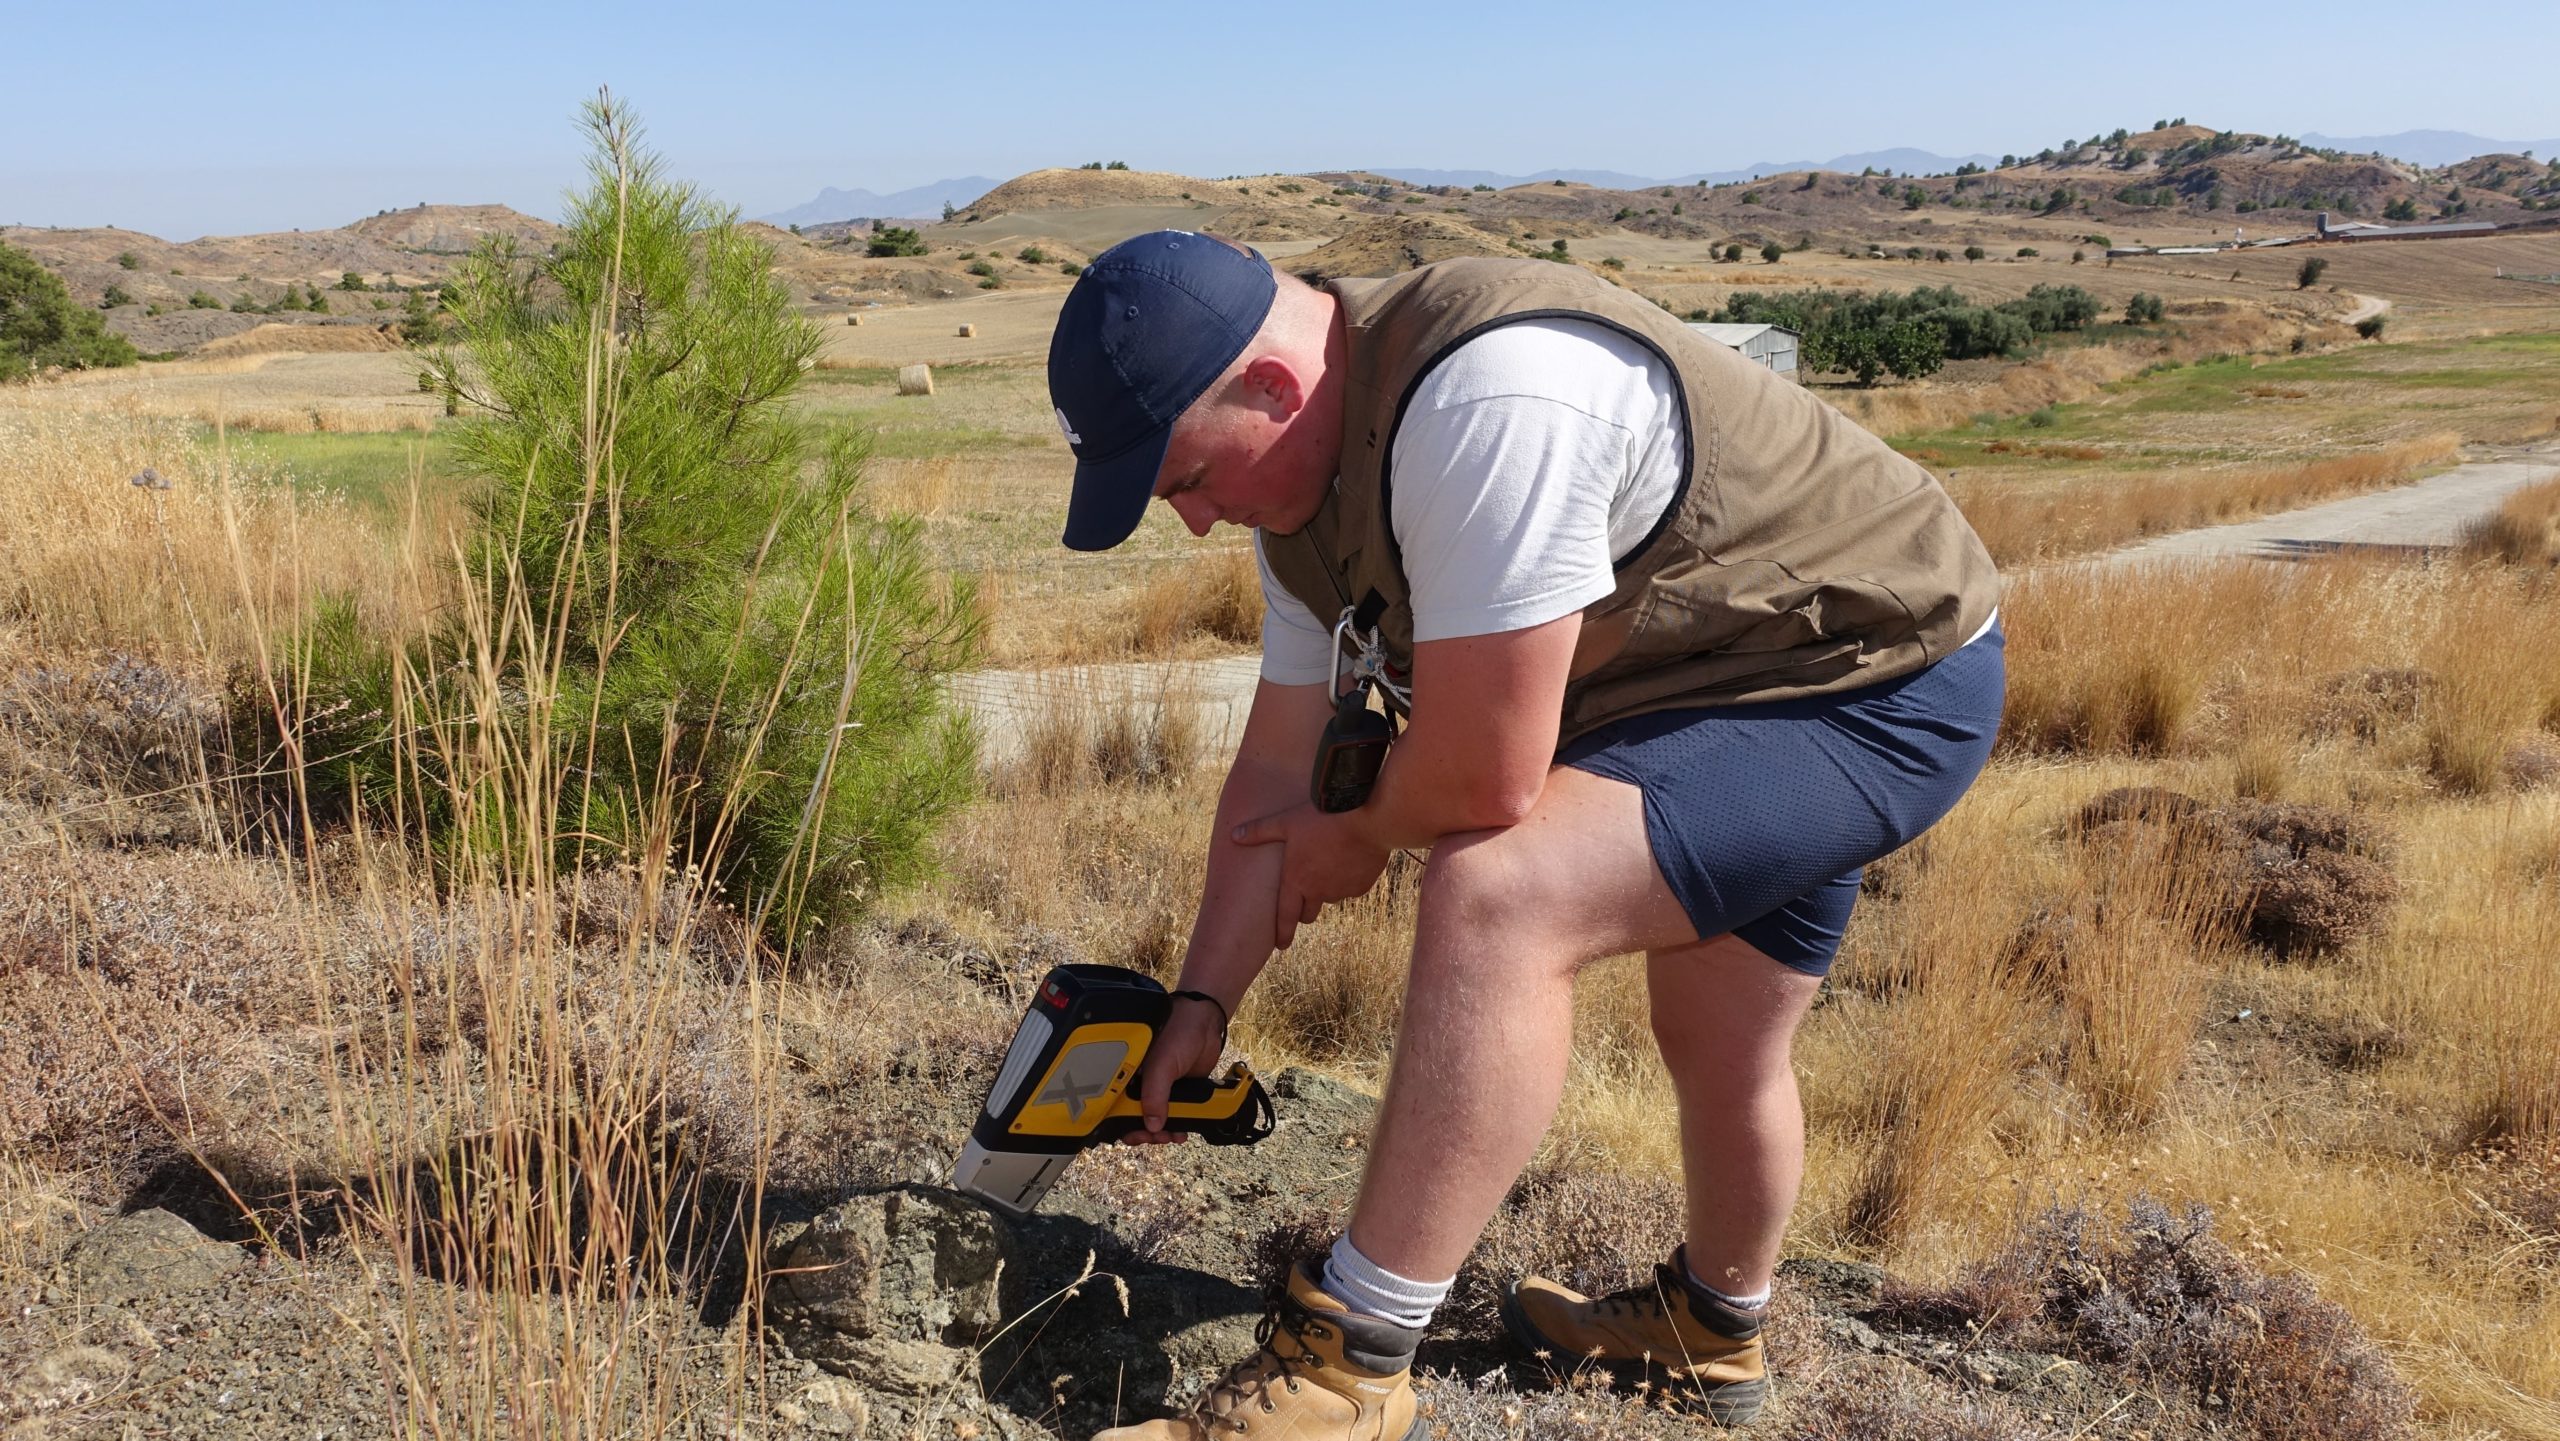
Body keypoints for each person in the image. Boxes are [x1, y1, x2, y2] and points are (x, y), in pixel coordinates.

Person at [1044, 230, 2004, 1440]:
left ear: (1275, 387)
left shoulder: (1490, 399)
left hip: (1874, 677)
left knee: (1503, 890)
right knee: (1721, 1036)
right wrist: (1201, 1002)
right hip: (1693, 681)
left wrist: (1364, 833)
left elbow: (1484, 777)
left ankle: (1349, 1368)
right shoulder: (1299, 506)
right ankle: (1712, 1333)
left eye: (1184, 479)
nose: (1191, 522)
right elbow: (1271, 783)